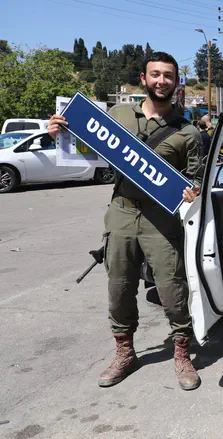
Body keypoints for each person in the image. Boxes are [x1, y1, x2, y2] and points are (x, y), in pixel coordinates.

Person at [47, 52, 204, 391]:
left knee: (172, 288)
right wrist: (57, 132)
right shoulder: (116, 116)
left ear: (176, 83)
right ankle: (124, 352)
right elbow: (82, 147)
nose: (162, 80)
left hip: (161, 218)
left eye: (168, 76)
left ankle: (181, 353)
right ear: (144, 79)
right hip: (121, 210)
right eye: (155, 74)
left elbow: (195, 178)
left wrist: (192, 191)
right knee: (119, 285)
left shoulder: (188, 131)